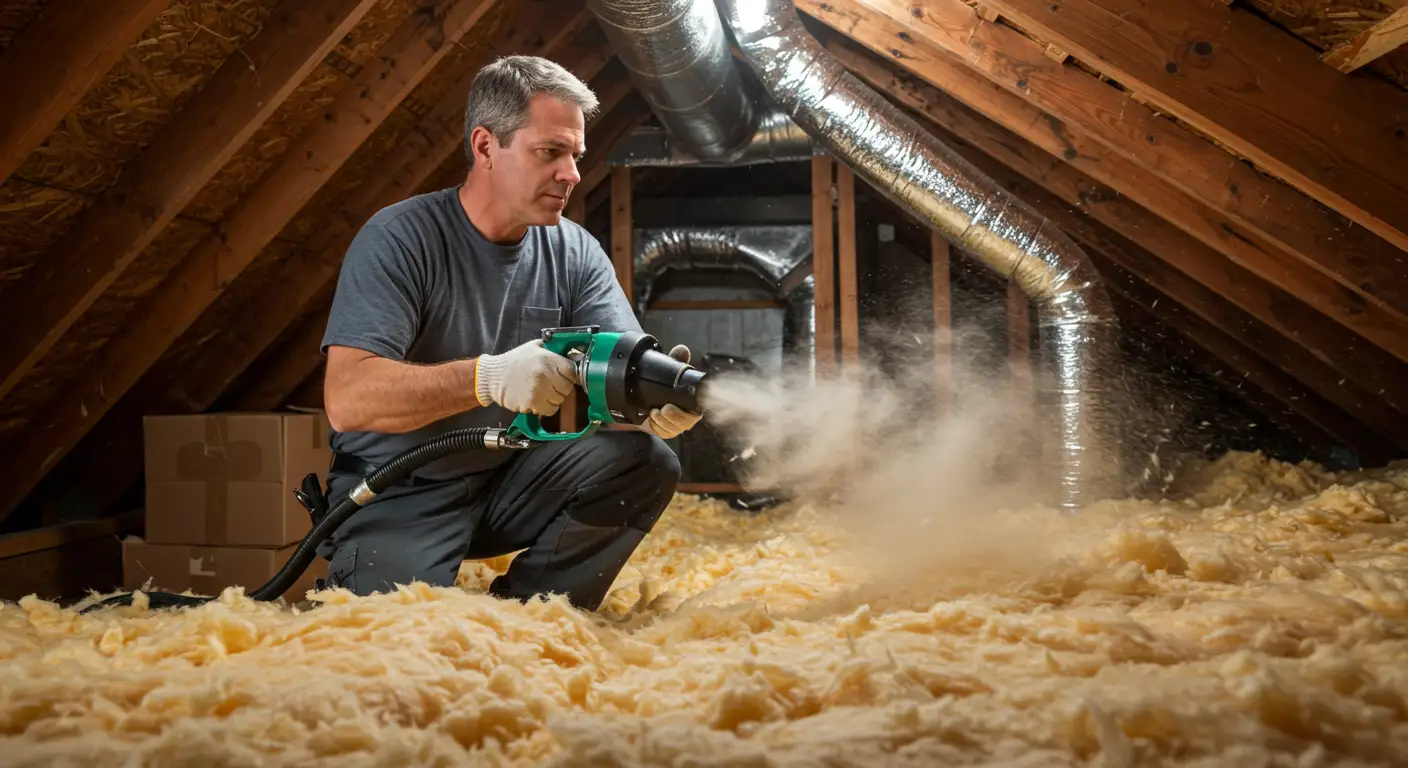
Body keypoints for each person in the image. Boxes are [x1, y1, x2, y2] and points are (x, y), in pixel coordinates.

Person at [315, 55, 702, 611]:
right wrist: (488, 378)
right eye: (550, 152)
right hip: (397, 489)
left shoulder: (573, 250)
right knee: (402, 637)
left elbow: (616, 361)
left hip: (507, 477)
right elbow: (348, 400)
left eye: (575, 154)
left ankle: (533, 616)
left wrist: (657, 393)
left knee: (645, 461)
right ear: (485, 147)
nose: (570, 173)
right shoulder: (399, 239)